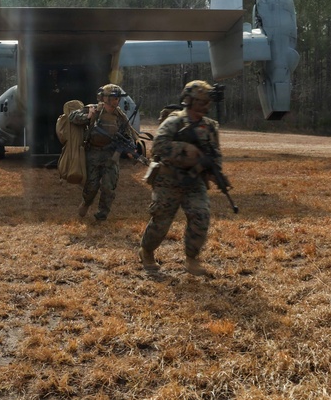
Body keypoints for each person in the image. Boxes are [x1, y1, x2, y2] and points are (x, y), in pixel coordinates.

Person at [139, 80, 222, 277]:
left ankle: (192, 258)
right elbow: (158, 147)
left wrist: (215, 172)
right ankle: (147, 251)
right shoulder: (174, 122)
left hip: (194, 181)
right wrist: (185, 149)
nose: (205, 107)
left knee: (201, 215)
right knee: (161, 221)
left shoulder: (209, 126)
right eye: (201, 102)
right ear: (189, 101)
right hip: (168, 179)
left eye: (207, 103)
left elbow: (215, 153)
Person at [68, 84, 135, 221]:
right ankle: (86, 202)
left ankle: (102, 214)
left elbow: (127, 134)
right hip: (93, 153)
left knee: (108, 187)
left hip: (110, 154)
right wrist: (88, 116)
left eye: (118, 98)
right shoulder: (94, 109)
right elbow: (72, 116)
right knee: (92, 186)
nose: (117, 101)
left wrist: (130, 148)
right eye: (114, 98)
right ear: (105, 98)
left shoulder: (120, 116)